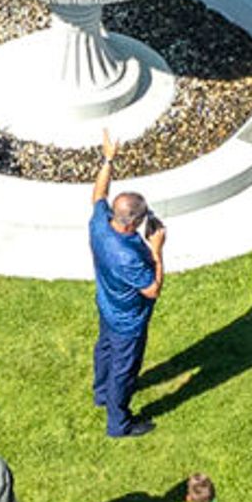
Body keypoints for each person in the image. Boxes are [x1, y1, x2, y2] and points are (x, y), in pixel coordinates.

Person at [89, 137, 167, 436]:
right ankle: (118, 423)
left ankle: (101, 392)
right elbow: (152, 289)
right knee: (124, 370)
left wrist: (108, 159)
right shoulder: (129, 256)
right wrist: (157, 249)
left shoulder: (99, 223)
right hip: (128, 320)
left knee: (104, 350)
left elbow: (99, 193)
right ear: (132, 223)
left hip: (106, 306)